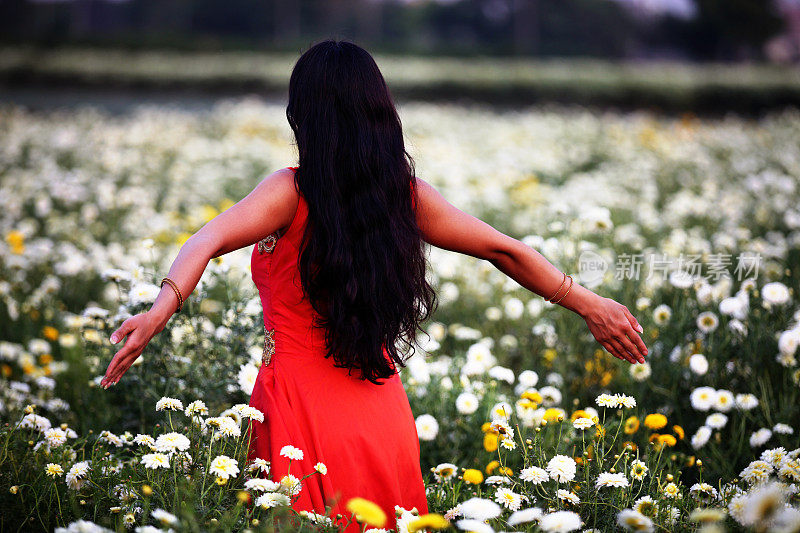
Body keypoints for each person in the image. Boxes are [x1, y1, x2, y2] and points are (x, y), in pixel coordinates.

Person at [100, 39, 647, 531]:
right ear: (379, 114)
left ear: (303, 115)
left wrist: (159, 309)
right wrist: (590, 303)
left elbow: (207, 240)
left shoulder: (289, 192)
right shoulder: (404, 196)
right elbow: (504, 249)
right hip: (382, 414)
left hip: (298, 408)